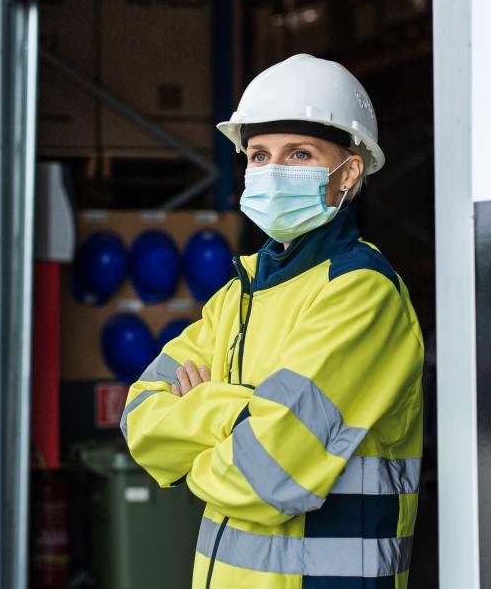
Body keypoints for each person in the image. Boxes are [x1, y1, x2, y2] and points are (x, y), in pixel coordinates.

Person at [121, 53, 425, 588]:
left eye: (299, 153)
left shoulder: (360, 294)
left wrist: (199, 405)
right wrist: (245, 416)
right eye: (258, 156)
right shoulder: (238, 294)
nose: (271, 170)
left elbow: (266, 475)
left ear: (348, 173)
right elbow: (140, 417)